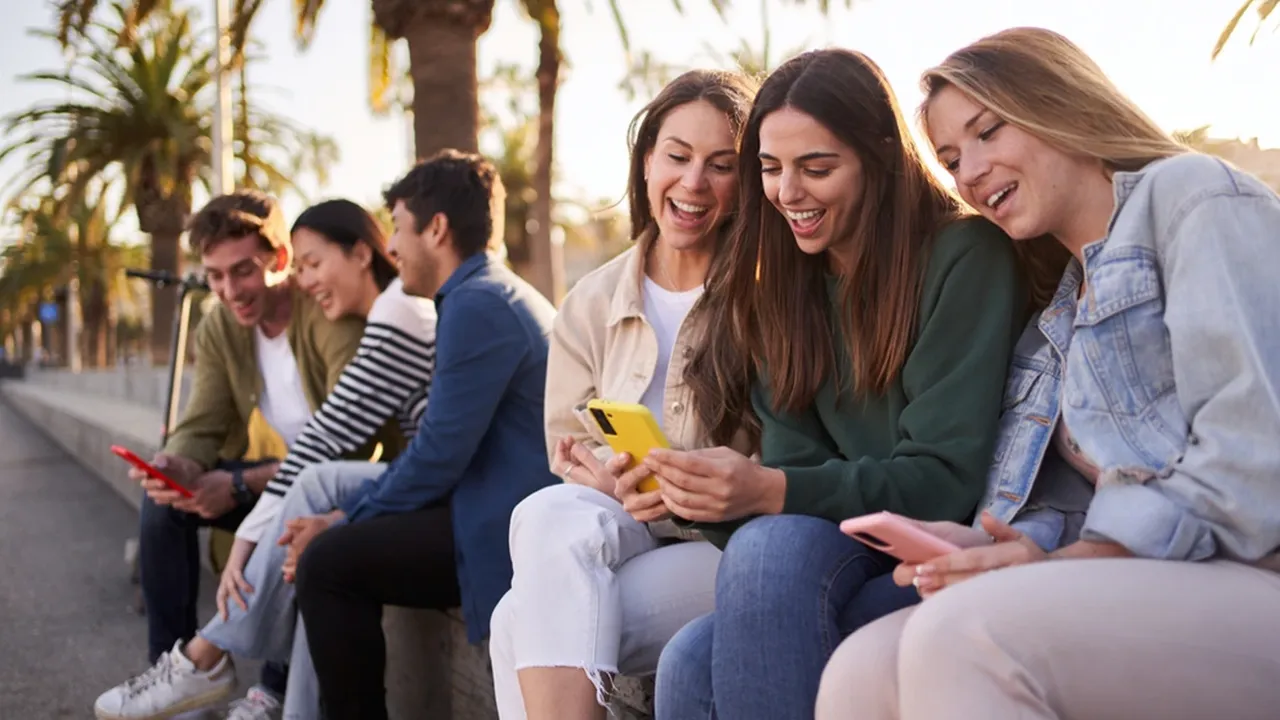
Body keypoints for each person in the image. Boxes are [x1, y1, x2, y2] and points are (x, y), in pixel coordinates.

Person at [816, 27, 1280, 720]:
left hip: (1253, 571)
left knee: (964, 636)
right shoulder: (1052, 323)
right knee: (863, 667)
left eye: (987, 132)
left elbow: (1254, 455)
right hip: (1151, 583)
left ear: (1059, 104)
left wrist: (1077, 561)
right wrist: (994, 543)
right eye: (949, 158)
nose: (968, 173)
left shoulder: (1193, 197)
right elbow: (1079, 503)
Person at [652, 48, 1038, 720]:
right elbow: (796, 476)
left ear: (882, 157)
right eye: (770, 170)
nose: (788, 193)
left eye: (817, 168)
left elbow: (944, 480)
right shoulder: (785, 291)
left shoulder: (965, 256)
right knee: (687, 655)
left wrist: (772, 490)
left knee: (764, 559)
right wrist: (696, 497)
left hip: (954, 550)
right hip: (845, 557)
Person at [93, 198, 437, 720]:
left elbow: (342, 440)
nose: (230, 291)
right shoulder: (222, 325)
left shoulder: (337, 312)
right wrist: (177, 465)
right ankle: (176, 677)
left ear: (277, 259)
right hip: (294, 479)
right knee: (164, 507)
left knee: (303, 529)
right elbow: (202, 422)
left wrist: (243, 496)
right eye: (214, 276)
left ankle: (248, 678)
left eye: (243, 271)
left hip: (335, 477)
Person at [486, 69, 758, 720]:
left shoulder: (767, 298)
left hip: (722, 546)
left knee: (516, 618)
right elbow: (569, 441)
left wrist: (678, 486)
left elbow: (784, 456)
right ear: (645, 163)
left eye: (721, 165)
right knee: (546, 514)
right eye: (677, 156)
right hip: (622, 524)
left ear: (746, 184)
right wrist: (607, 477)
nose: (693, 183)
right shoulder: (593, 299)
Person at [278, 150, 558, 720]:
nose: (392, 248)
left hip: (503, 528)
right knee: (330, 552)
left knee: (328, 563)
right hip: (487, 508)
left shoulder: (478, 303)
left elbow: (435, 457)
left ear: (436, 228)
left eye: (401, 228)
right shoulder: (482, 294)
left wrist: (344, 518)